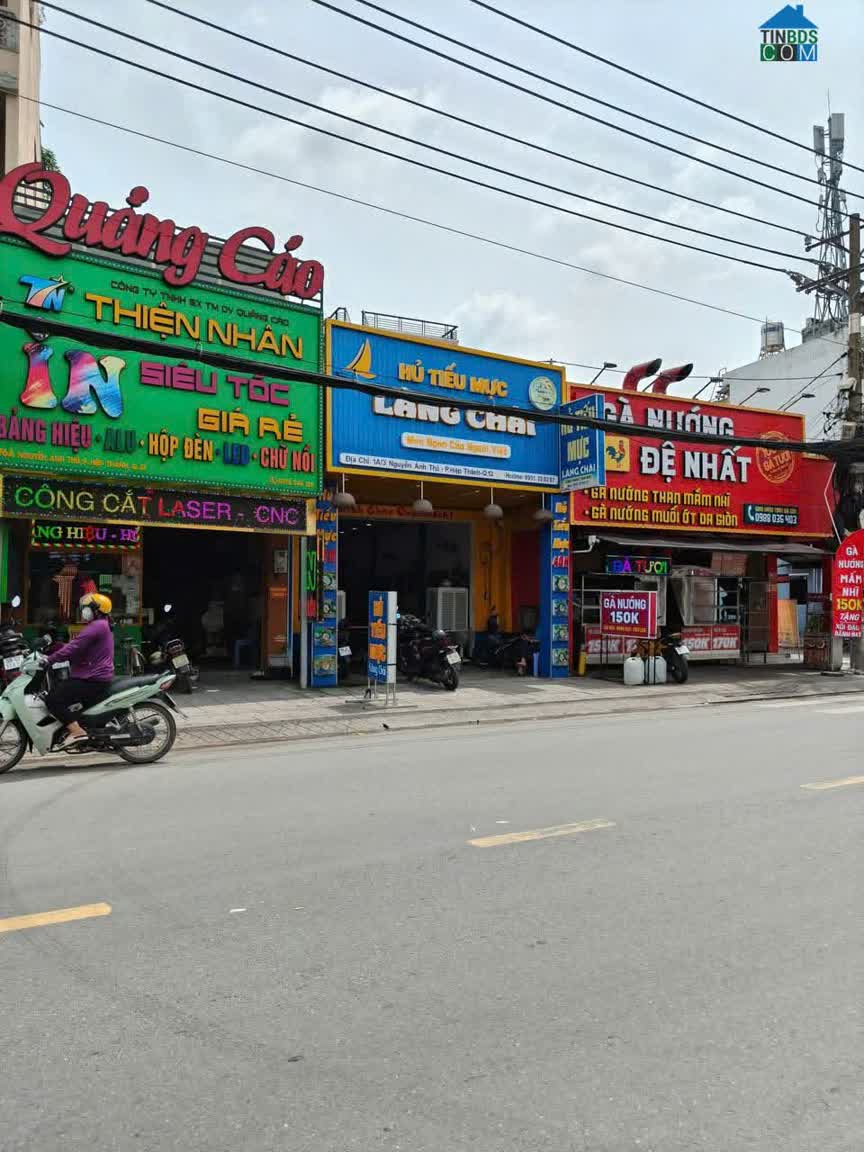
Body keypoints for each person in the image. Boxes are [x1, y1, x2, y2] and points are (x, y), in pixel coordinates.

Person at [45, 592, 115, 749]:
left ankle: (77, 731)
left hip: (92, 678)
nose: (84, 611)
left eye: (87, 608)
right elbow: (77, 646)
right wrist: (55, 649)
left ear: (97, 610)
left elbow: (74, 647)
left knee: (53, 699)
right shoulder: (102, 625)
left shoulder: (97, 626)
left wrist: (49, 660)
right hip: (92, 675)